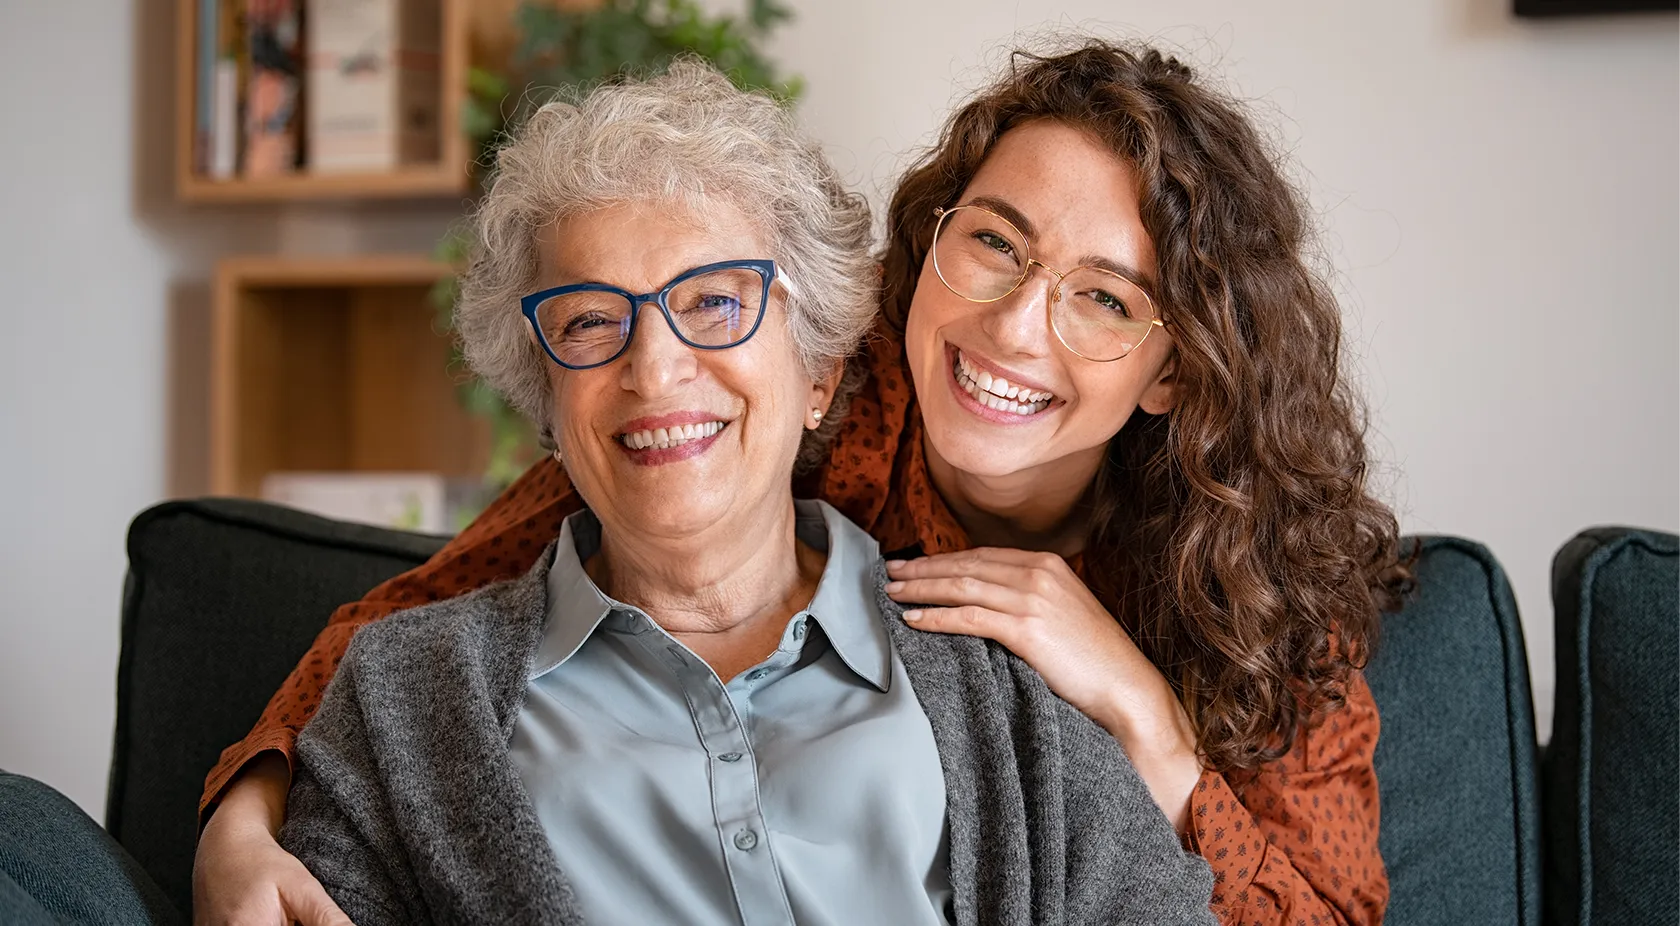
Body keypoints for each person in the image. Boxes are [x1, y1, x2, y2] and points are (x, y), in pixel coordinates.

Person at [195, 40, 1407, 926]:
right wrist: (238, 821)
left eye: (1104, 296)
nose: (1013, 329)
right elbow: (411, 628)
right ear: (930, 243)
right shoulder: (804, 397)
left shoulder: (1260, 594)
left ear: (1172, 367)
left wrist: (1143, 715)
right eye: (995, 241)